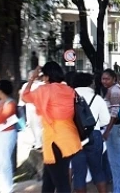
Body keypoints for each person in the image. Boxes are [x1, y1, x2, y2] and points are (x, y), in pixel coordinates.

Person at [22, 62, 81, 192]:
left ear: (48, 76)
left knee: (62, 183)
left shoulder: (44, 90)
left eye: (43, 76)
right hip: (70, 139)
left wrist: (32, 78)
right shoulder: (69, 90)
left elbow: (25, 97)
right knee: (49, 179)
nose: (42, 79)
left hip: (55, 140)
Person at [70, 73, 110, 193]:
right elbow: (106, 120)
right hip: (94, 136)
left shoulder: (69, 98)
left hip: (75, 137)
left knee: (79, 173)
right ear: (89, 83)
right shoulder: (97, 98)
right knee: (98, 171)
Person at [18, 70, 44, 150]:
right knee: (37, 126)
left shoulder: (28, 85)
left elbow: (23, 97)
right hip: (35, 108)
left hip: (33, 108)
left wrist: (20, 105)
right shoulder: (41, 85)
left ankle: (38, 143)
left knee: (35, 126)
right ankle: (38, 142)